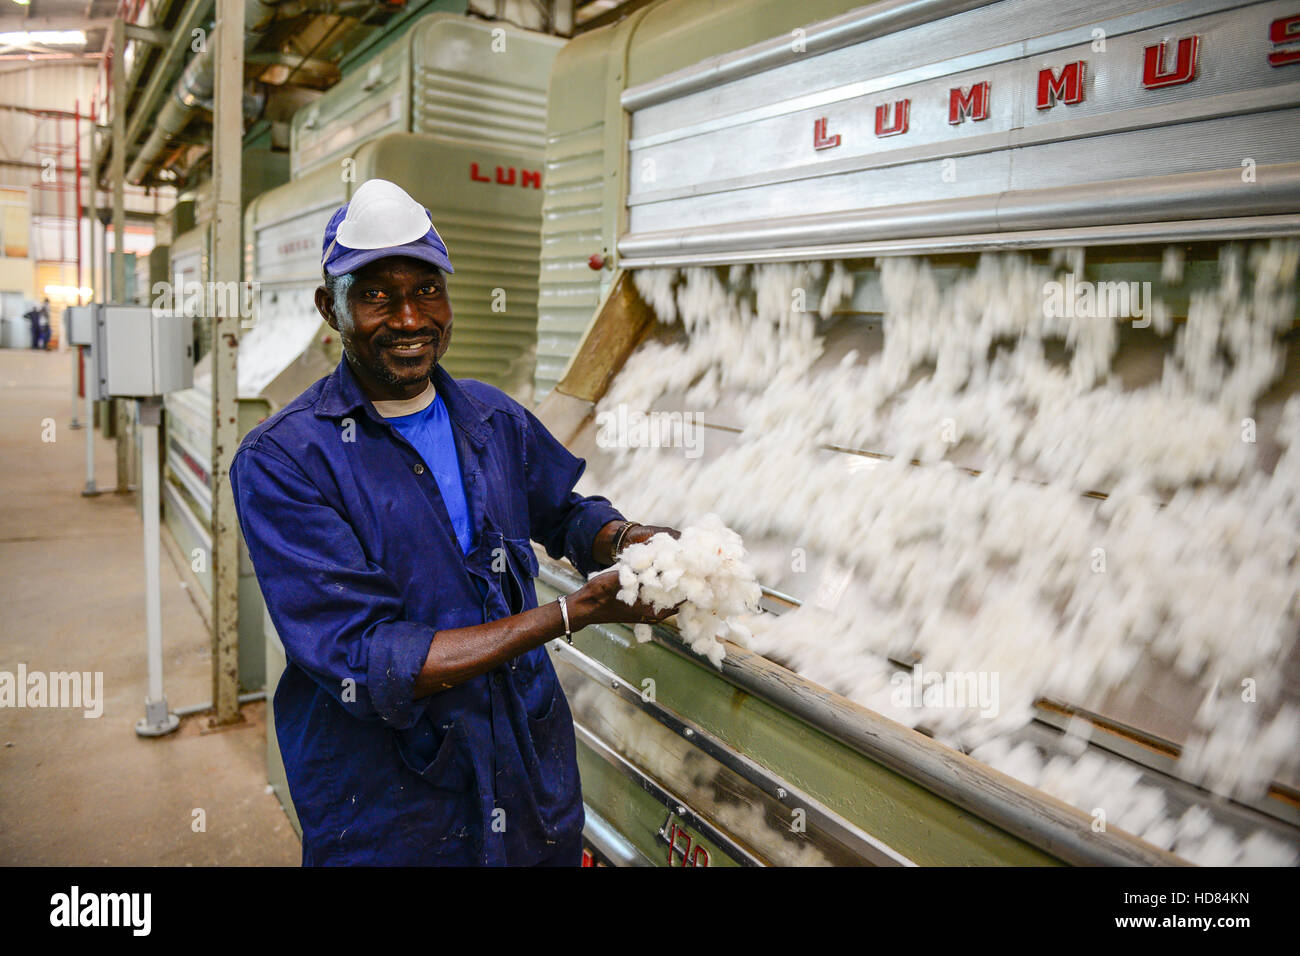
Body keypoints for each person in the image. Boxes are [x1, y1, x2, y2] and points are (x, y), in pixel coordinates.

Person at [230, 179, 677, 866]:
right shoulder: (285, 461)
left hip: (522, 770)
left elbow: (564, 513)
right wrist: (571, 614)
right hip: (390, 802)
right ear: (330, 307)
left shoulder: (491, 418)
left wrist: (624, 540)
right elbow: (369, 656)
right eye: (376, 294)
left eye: (427, 290)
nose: (410, 318)